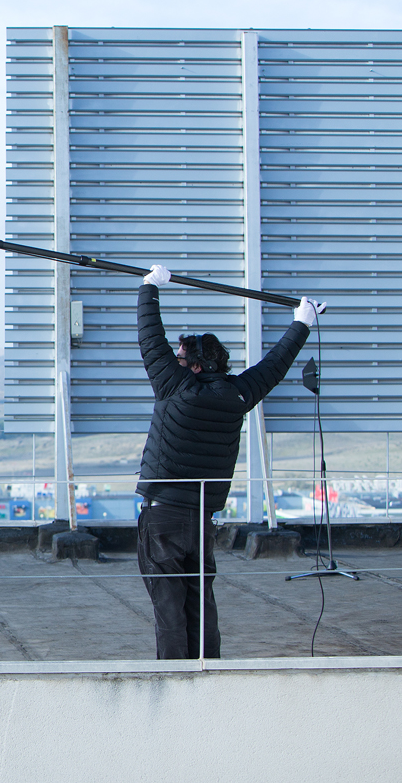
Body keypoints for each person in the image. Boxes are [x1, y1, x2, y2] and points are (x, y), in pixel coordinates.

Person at [135, 264, 323, 659]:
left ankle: (174, 682)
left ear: (197, 367)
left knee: (168, 608)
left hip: (163, 515)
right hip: (201, 517)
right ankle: (210, 675)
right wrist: (301, 324)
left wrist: (151, 288)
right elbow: (275, 366)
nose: (176, 360)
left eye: (183, 358)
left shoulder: (176, 387)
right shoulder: (239, 395)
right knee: (200, 604)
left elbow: (151, 340)